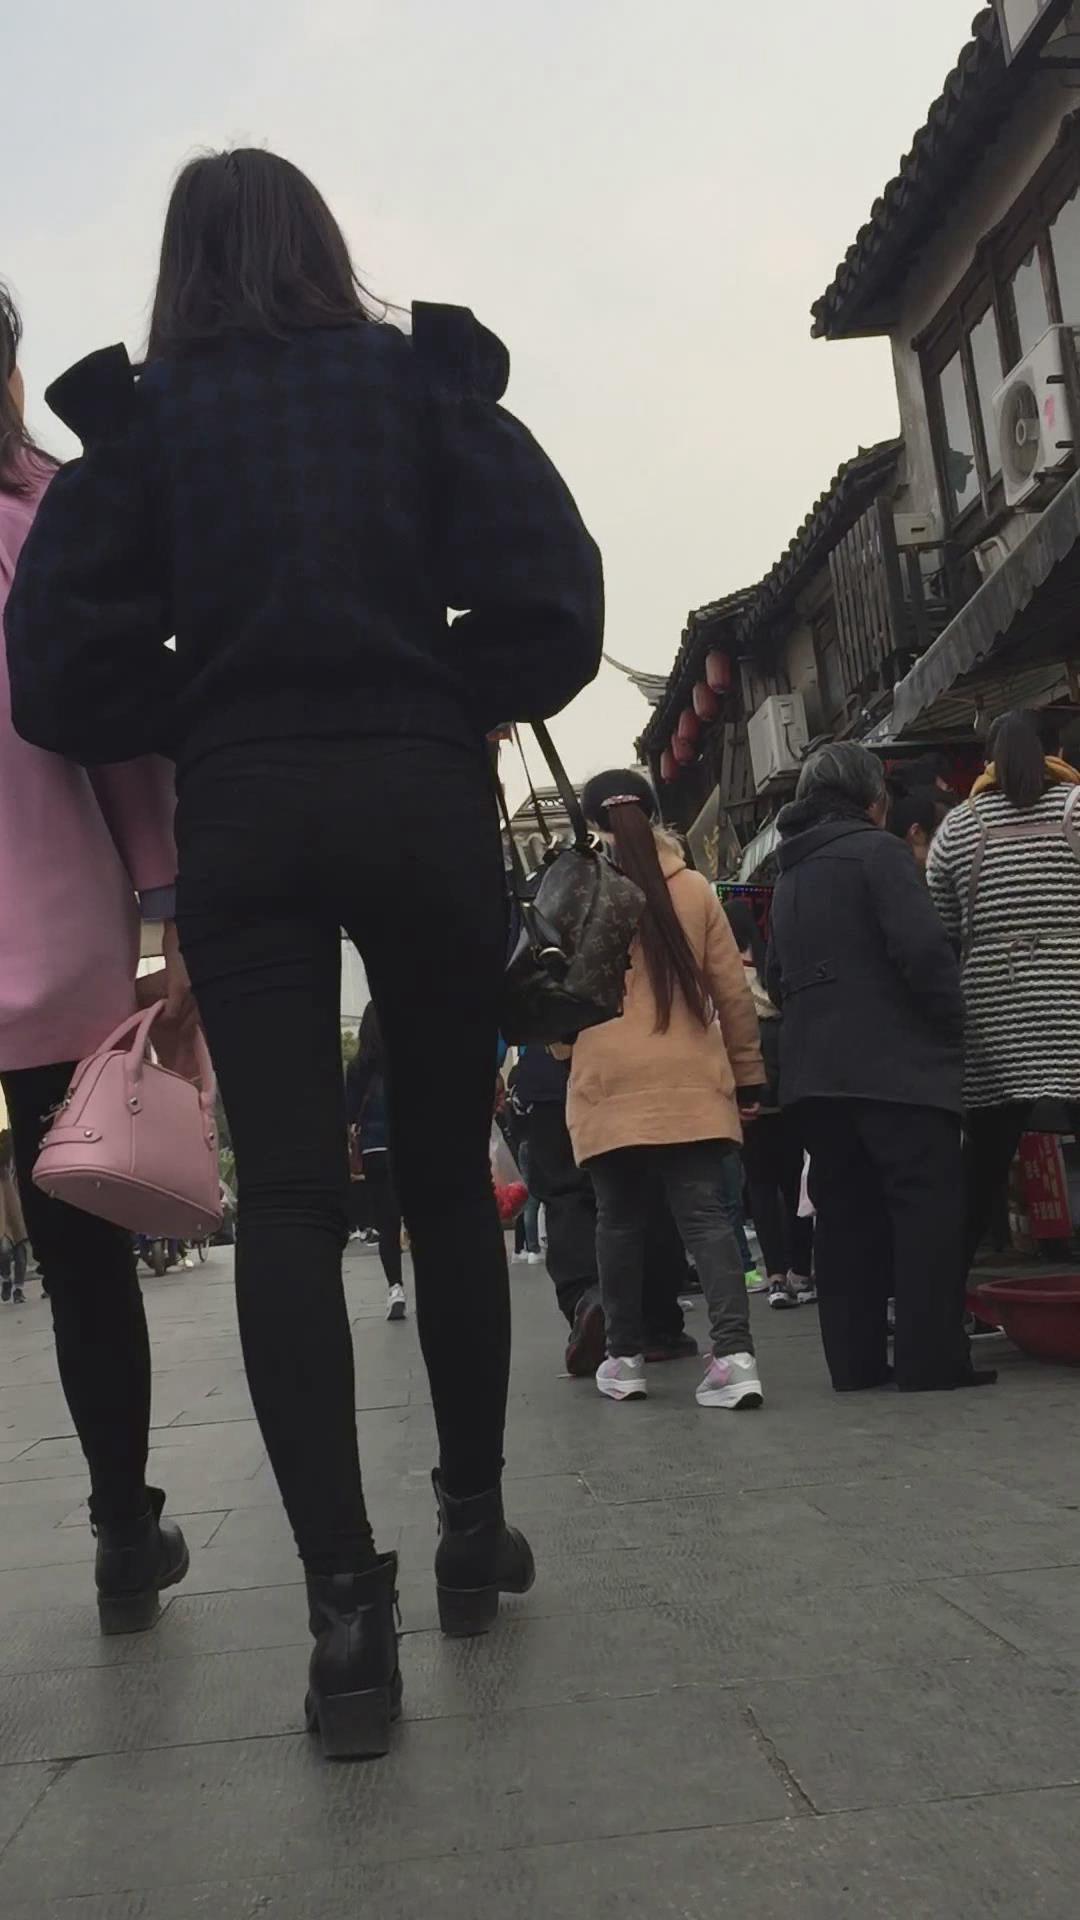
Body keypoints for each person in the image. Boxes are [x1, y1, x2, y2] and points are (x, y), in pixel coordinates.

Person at [4, 149, 603, 1759]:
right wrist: (450, 684)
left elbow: (53, 672)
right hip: (418, 789)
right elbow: (559, 596)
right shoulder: (422, 385)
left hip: (249, 812)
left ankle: (345, 1622)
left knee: (283, 1196)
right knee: (443, 1172)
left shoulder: (145, 425)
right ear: (324, 246)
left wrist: (202, 704)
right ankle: (470, 1529)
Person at [0, 280, 192, 1626]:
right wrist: (167, 910)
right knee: (80, 1261)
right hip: (57, 947)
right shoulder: (50, 514)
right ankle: (124, 1529)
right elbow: (118, 726)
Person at [767, 743, 989, 1394]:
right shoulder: (878, 853)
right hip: (896, 1069)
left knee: (843, 1217)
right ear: (873, 799)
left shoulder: (789, 873)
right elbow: (923, 952)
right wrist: (951, 1027)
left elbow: (778, 978)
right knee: (925, 1209)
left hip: (815, 1074)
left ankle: (856, 1364)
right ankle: (930, 1360)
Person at [564, 769, 766, 1408]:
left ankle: (624, 1360)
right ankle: (735, 1359)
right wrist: (748, 1075)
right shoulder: (696, 890)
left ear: (592, 823)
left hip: (608, 1080)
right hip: (688, 1080)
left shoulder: (578, 890)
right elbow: (732, 993)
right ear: (654, 815)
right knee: (705, 1219)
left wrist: (568, 1049)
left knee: (618, 1222)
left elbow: (557, 999)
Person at [926, 709, 1080, 1271]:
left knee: (983, 1163)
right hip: (1073, 999)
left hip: (994, 1011)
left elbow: (941, 925)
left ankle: (944, 1291)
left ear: (987, 760)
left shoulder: (958, 827)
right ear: (1055, 751)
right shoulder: (1076, 809)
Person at [723, 899, 814, 1312]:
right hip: (790, 1093)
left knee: (760, 1188)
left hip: (751, 1098)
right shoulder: (772, 970)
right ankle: (801, 1271)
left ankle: (775, 1275)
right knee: (796, 1186)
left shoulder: (726, 978)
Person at [346, 1003, 407, 1321]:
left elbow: (349, 1112)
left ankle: (395, 1288)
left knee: (387, 1224)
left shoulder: (357, 1068)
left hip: (374, 1152)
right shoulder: (403, 1059)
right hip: (407, 1149)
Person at [0, 1130, 29, 1304]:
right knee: (3, 1250)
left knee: (21, 1254)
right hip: (4, 1212)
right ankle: (6, 1279)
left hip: (19, 1212)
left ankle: (18, 1289)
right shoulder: (2, 1166)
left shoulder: (20, 1162)